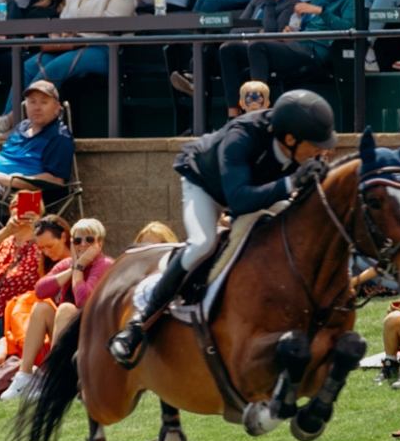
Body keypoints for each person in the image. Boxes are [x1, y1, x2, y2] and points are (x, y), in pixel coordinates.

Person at [109, 87, 337, 365]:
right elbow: (239, 201)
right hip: (207, 187)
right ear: (290, 139)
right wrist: (292, 184)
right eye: (315, 144)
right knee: (202, 244)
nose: (321, 150)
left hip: (256, 189)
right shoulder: (240, 137)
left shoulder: (297, 147)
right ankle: (138, 324)